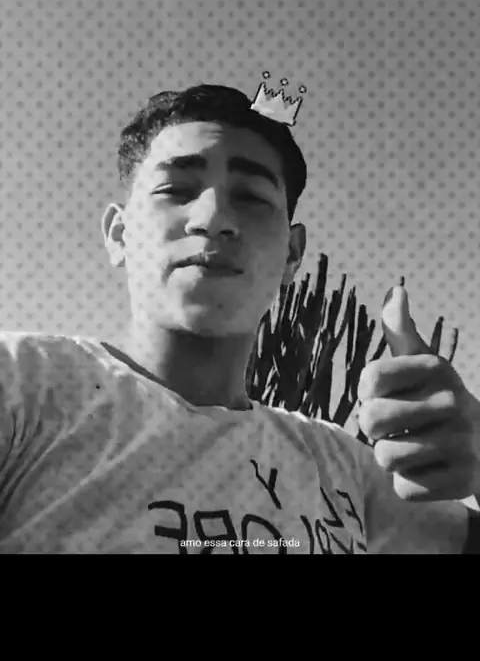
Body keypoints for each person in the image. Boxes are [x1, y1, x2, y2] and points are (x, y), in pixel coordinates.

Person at [0, 84, 479, 554]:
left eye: (250, 196)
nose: (213, 218)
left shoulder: (345, 468)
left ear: (292, 254)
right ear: (119, 234)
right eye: (174, 190)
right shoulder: (26, 384)